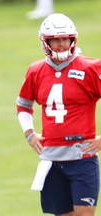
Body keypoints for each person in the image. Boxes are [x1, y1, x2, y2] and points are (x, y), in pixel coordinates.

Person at [16, 13, 101, 215]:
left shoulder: (91, 67)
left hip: (82, 156)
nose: (62, 45)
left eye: (65, 39)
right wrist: (29, 133)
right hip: (51, 159)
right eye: (56, 40)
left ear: (73, 39)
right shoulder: (36, 70)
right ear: (46, 42)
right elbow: (23, 105)